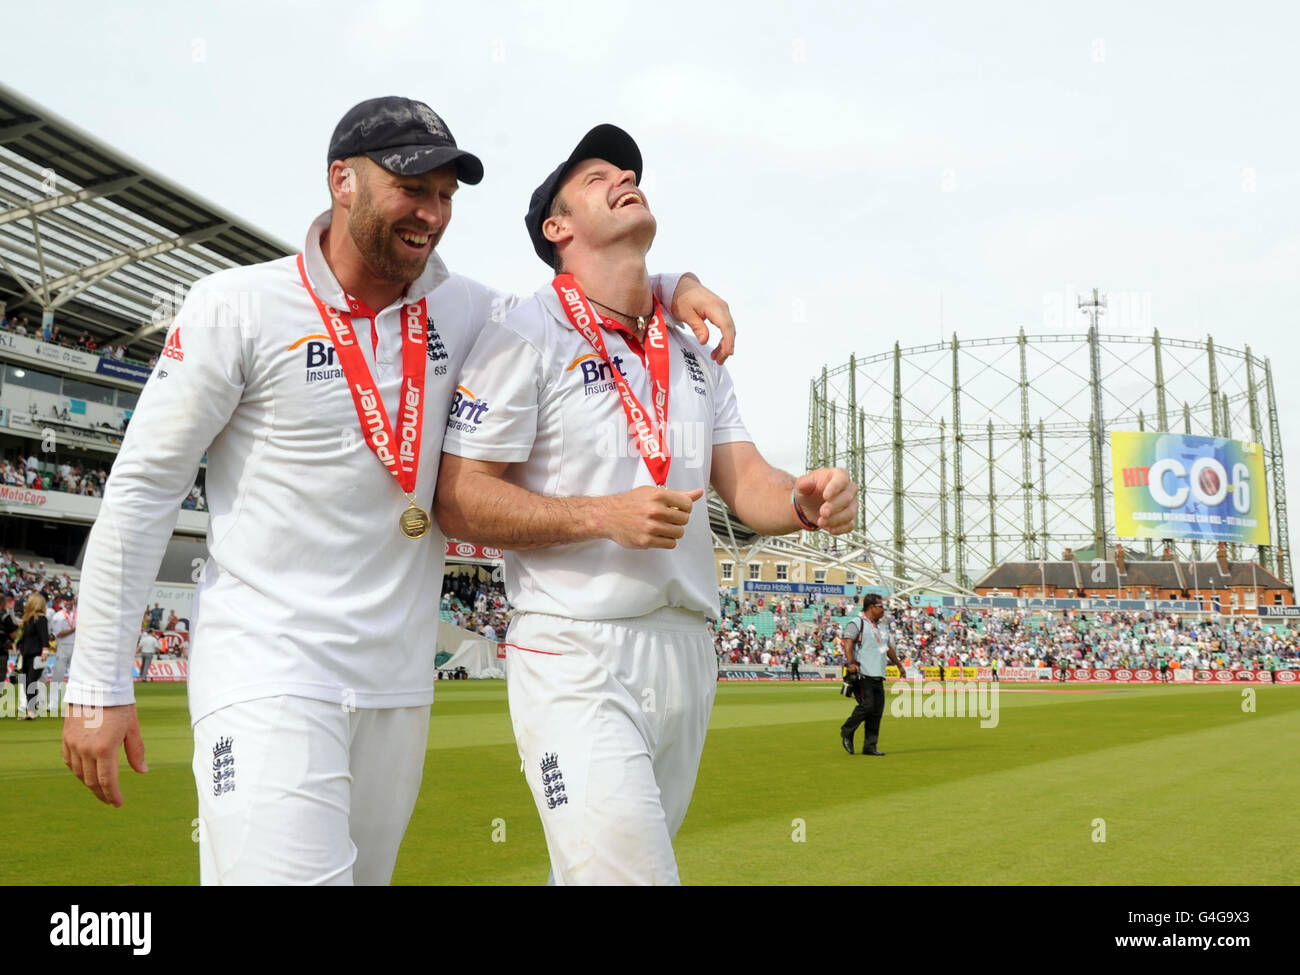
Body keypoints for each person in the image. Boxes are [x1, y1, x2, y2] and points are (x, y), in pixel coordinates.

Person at [61, 97, 736, 886]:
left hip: (398, 684)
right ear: (341, 181)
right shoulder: (237, 305)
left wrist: (668, 281)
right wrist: (98, 682)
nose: (432, 212)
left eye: (447, 194)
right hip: (267, 665)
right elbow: (143, 490)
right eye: (412, 186)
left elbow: (585, 298)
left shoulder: (474, 310)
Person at [434, 123, 857, 885]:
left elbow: (744, 478)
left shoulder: (692, 349)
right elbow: (458, 499)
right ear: (557, 228)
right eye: (596, 176)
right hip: (575, 649)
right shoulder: (524, 334)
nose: (624, 176)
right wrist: (603, 516)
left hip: (687, 651)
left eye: (627, 169)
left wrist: (800, 498)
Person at [839, 594, 904, 756]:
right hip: (862, 673)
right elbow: (848, 642)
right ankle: (847, 730)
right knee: (867, 706)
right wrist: (850, 662)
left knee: (876, 711)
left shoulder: (882, 628)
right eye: (881, 606)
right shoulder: (857, 623)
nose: (884, 610)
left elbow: (887, 648)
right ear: (871, 607)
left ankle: (870, 745)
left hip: (878, 673)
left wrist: (898, 665)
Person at [16, 594, 51, 719]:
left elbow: (44, 637)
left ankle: (31, 711)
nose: (26, 603)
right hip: (25, 655)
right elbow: (23, 639)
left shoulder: (40, 619)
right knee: (25, 682)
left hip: (36, 656)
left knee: (31, 681)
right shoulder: (27, 620)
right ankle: (31, 709)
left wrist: (45, 651)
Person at [49, 596, 76, 684]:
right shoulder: (58, 615)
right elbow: (59, 634)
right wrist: (74, 629)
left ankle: (73, 696)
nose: (69, 602)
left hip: (76, 646)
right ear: (62, 601)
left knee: (75, 675)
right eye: (66, 600)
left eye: (70, 600)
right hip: (63, 647)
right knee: (58, 674)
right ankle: (53, 696)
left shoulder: (77, 614)